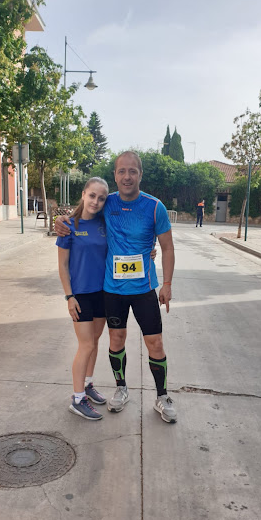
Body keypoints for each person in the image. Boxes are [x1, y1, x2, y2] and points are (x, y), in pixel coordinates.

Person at [55, 151, 177, 424]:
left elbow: (167, 247)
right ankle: (121, 389)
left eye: (132, 171)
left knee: (155, 342)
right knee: (115, 340)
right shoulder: (106, 203)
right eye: (121, 171)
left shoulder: (154, 206)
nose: (127, 176)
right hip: (112, 290)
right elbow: (81, 216)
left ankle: (163, 395)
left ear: (140, 175)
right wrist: (62, 222)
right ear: (115, 175)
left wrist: (167, 284)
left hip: (145, 288)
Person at [57, 177, 109, 421]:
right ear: (83, 194)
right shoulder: (68, 225)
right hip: (81, 295)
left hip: (103, 293)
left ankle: (87, 384)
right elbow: (63, 265)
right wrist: (69, 297)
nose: (96, 201)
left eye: (101, 198)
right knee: (86, 345)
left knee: (95, 341)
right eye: (92, 196)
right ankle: (77, 399)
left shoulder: (104, 223)